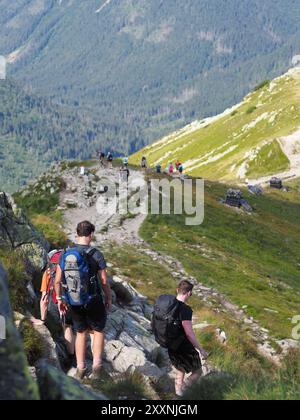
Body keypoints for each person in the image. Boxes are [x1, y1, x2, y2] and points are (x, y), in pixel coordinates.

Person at [54, 221, 112, 381]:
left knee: (80, 333)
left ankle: (80, 368)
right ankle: (97, 368)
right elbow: (104, 281)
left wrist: (60, 299)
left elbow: (57, 280)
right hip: (93, 299)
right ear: (91, 234)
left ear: (77, 233)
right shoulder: (96, 253)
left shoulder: (66, 253)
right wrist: (108, 297)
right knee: (98, 331)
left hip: (73, 301)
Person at [153, 281, 207, 397]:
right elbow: (189, 333)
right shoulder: (185, 309)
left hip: (170, 344)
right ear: (188, 293)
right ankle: (183, 392)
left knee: (180, 368)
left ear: (177, 290)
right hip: (182, 345)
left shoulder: (167, 305)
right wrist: (201, 349)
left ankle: (178, 393)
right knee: (198, 371)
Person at [38, 250, 75, 367]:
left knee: (67, 327)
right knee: (79, 330)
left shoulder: (48, 273)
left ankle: (71, 357)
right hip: (78, 301)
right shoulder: (72, 267)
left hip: (62, 303)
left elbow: (44, 299)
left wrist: (43, 319)